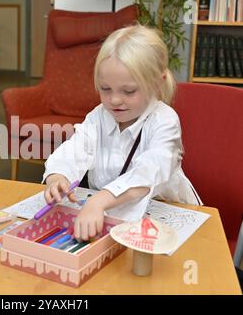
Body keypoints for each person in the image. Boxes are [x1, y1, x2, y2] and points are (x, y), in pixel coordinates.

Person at [42, 24, 202, 241]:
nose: (114, 100)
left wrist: (100, 200)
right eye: (105, 89)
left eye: (128, 91)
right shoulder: (98, 116)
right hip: (113, 216)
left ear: (157, 83)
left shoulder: (165, 120)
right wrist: (57, 177)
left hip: (165, 217)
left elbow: (148, 172)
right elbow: (74, 150)